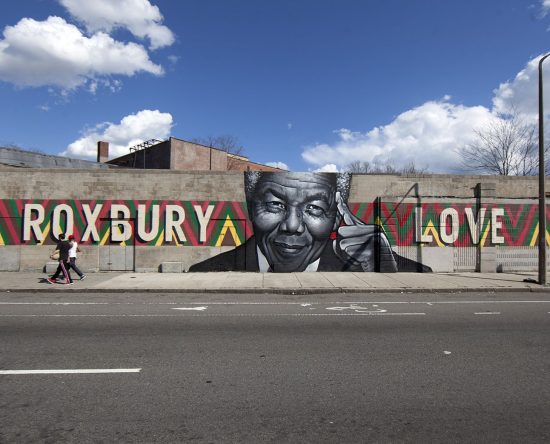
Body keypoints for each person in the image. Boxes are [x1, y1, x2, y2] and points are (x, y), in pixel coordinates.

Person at [189, 171, 431, 272]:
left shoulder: (374, 262)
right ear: (251, 208)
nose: (292, 226)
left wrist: (383, 266)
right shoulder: (207, 270)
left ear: (336, 217)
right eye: (275, 204)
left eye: (314, 208)